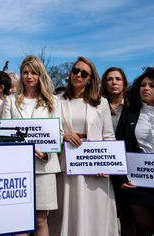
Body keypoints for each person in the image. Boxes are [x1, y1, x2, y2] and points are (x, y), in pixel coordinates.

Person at [49, 56, 118, 236]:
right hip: (68, 164)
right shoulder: (56, 100)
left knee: (94, 211)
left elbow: (108, 135)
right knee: (68, 210)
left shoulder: (101, 102)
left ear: (90, 79)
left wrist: (106, 164)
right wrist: (64, 135)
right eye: (75, 71)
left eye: (84, 73)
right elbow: (51, 130)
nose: (78, 75)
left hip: (95, 166)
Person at [1, 55, 61, 236]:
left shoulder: (53, 100)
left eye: (33, 72)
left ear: (40, 75)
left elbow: (58, 132)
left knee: (41, 218)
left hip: (44, 167)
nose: (29, 76)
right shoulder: (10, 100)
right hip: (17, 167)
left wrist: (45, 153)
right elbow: (4, 133)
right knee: (19, 218)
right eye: (25, 72)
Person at [114, 68, 154, 236]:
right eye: (143, 85)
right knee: (143, 227)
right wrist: (122, 177)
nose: (146, 88)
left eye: (152, 85)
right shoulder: (130, 113)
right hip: (138, 182)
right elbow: (119, 144)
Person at [101, 66, 135, 236]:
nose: (114, 82)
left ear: (124, 83)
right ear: (104, 84)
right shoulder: (98, 104)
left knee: (128, 216)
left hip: (127, 167)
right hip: (103, 165)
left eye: (118, 79)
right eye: (109, 79)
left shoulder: (134, 107)